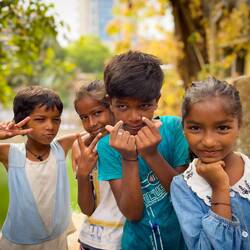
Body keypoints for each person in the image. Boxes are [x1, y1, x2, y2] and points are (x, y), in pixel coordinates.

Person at [97, 51, 190, 249]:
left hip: (182, 241)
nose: (134, 117)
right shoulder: (108, 147)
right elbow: (132, 213)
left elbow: (184, 197)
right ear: (110, 102)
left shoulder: (174, 128)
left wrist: (151, 155)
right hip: (138, 244)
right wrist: (129, 158)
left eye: (144, 106)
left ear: (157, 100)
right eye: (122, 106)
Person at [171, 77, 250, 249]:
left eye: (222, 128)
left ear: (239, 125)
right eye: (195, 128)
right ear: (183, 127)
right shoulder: (184, 187)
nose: (208, 141)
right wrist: (219, 189)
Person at [0, 86, 78, 250]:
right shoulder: (11, 154)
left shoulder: (61, 148)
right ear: (23, 121)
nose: (50, 126)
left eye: (55, 119)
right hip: (19, 240)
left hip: (55, 239)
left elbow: (97, 133)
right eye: (40, 119)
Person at [72, 80, 125, 250]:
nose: (91, 123)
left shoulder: (130, 142)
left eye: (97, 113)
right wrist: (82, 174)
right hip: (92, 241)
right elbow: (87, 209)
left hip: (127, 240)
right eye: (84, 118)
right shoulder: (85, 151)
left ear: (113, 107)